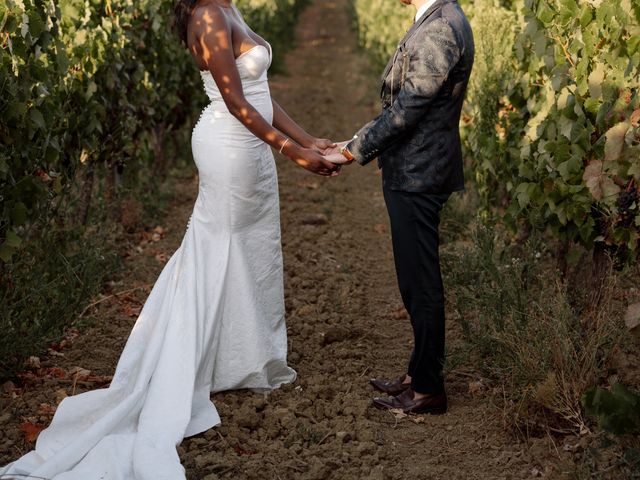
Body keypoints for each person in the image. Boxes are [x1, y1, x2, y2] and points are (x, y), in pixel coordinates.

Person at [0, 1, 340, 478]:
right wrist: (293, 152)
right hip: (230, 145)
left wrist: (310, 139)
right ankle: (187, 361)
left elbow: (260, 92)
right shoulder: (207, 16)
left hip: (254, 147)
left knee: (250, 252)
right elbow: (234, 100)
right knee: (217, 248)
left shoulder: (228, 7)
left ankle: (238, 359)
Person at [326, 0, 474, 414]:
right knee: (414, 281)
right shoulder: (439, 18)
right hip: (416, 169)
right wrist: (352, 143)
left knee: (421, 283)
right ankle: (418, 371)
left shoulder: (440, 26)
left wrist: (353, 151)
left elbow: (409, 107)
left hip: (419, 173)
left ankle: (428, 389)